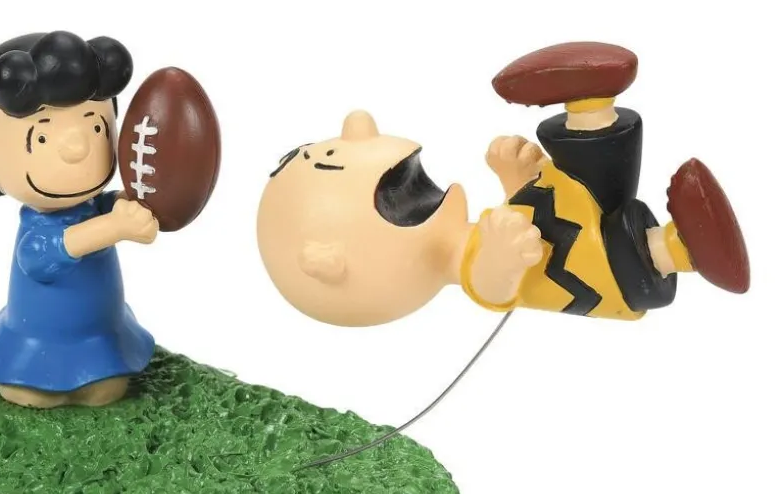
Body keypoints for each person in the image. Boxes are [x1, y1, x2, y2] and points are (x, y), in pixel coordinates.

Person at [256, 43, 749, 328]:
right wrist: (500, 260)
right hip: (583, 277)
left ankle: (592, 108)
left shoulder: (484, 229)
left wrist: (518, 182)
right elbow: (493, 289)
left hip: (561, 214)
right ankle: (682, 250)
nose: (357, 126)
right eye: (323, 165)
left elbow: (518, 222)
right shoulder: (471, 257)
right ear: (327, 261)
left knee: (592, 192)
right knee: (617, 243)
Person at [0, 31, 158, 408]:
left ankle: (98, 364)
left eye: (97, 127)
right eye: (42, 138)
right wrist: (115, 227)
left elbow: (106, 209)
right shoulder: (37, 228)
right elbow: (48, 254)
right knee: (30, 394)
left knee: (107, 390)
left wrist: (128, 203)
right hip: (39, 339)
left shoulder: (94, 207)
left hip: (100, 332)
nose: (77, 147)